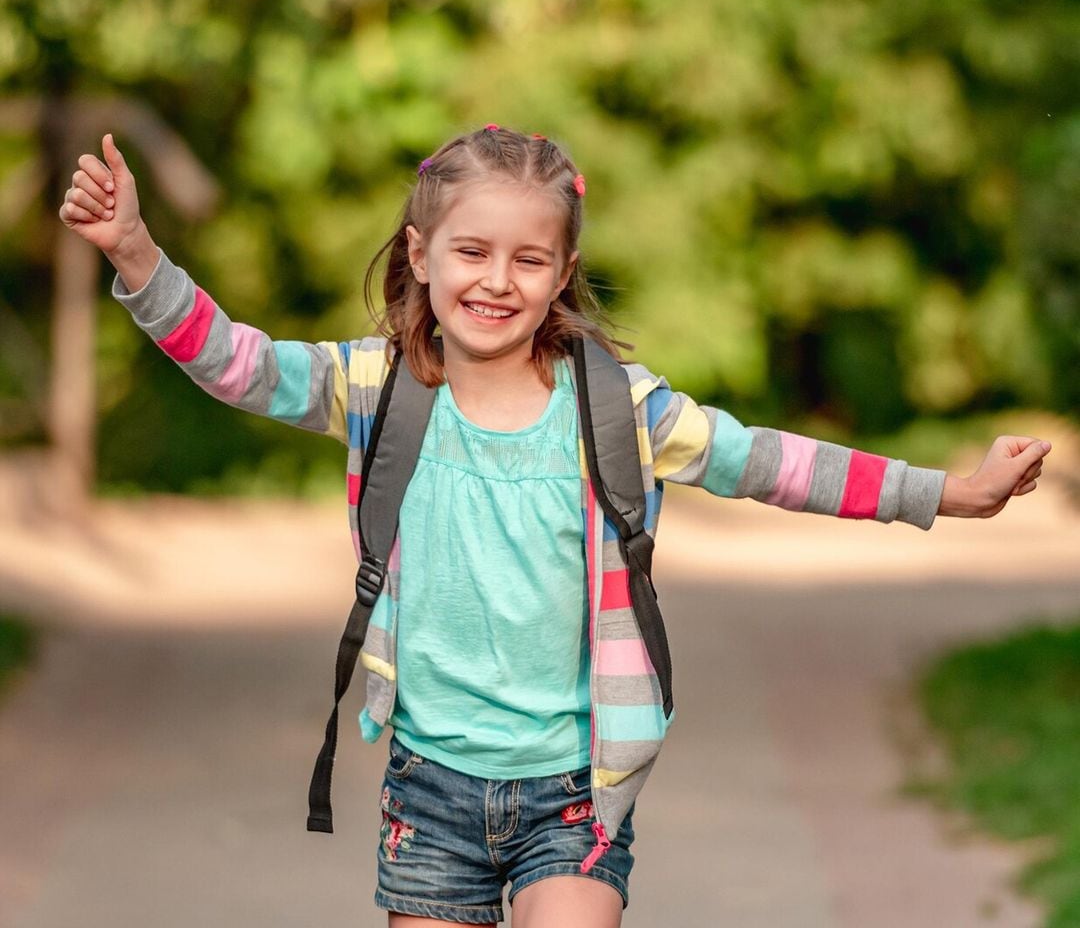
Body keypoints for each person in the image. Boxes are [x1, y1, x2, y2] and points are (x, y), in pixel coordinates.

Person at [60, 126, 1051, 927]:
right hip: (431, 786)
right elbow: (236, 363)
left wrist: (948, 493)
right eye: (472, 252)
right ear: (420, 253)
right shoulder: (378, 388)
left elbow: (775, 464)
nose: (498, 281)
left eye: (529, 258)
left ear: (562, 268)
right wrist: (138, 256)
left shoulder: (618, 410)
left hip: (578, 784)